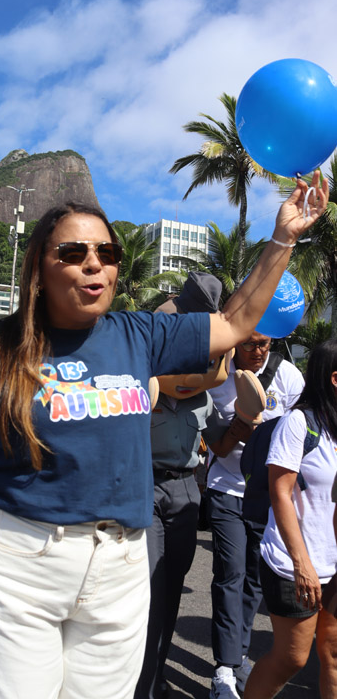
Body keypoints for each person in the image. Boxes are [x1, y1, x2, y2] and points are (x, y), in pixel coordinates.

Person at [0, 176, 329, 699]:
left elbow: (236, 322)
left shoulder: (140, 334)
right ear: (39, 267)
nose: (94, 261)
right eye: (73, 251)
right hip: (21, 564)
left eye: (107, 250)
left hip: (121, 568)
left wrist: (283, 237)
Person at [134, 272, 230, 699]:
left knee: (172, 587)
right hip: (145, 488)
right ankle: (137, 681)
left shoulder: (204, 396)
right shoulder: (143, 387)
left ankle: (156, 675)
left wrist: (250, 420)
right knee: (148, 586)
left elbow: (222, 443)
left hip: (185, 491)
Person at [205, 332, 304, 698]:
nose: (258, 352)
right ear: (235, 343)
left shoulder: (290, 377)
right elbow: (215, 443)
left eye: (264, 344)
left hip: (267, 496)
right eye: (249, 344)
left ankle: (238, 655)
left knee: (253, 581)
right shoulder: (216, 377)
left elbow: (301, 437)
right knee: (230, 574)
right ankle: (225, 668)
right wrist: (241, 425)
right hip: (226, 488)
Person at [244, 339, 337, 699]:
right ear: (334, 379)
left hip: (333, 561)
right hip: (293, 561)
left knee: (331, 652)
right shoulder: (298, 423)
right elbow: (279, 493)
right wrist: (302, 564)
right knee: (292, 658)